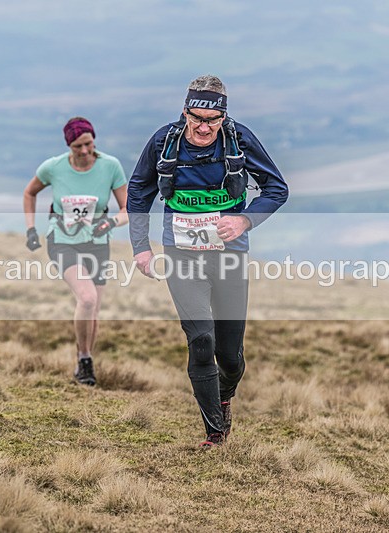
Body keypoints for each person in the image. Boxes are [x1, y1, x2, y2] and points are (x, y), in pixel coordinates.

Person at [127, 75, 288, 447]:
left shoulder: (240, 139)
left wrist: (245, 219)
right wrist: (141, 247)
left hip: (229, 256)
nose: (203, 128)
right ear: (184, 113)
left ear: (223, 118)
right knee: (201, 340)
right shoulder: (163, 142)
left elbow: (277, 188)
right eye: (195, 118)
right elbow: (139, 190)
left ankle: (224, 396)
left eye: (211, 121)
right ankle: (214, 432)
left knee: (229, 357)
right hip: (181, 254)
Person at [24, 117, 128, 386]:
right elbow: (29, 193)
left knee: (93, 310)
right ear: (68, 145)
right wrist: (31, 229)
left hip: (97, 243)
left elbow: (128, 209)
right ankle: (84, 359)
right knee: (87, 297)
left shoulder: (110, 166)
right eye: (77, 146)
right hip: (62, 241)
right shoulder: (53, 167)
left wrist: (111, 222)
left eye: (89, 144)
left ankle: (85, 362)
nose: (84, 151)